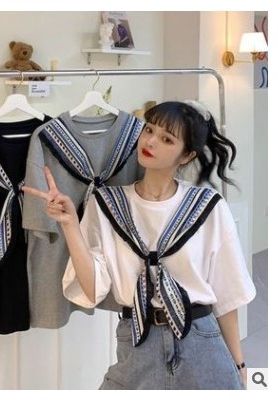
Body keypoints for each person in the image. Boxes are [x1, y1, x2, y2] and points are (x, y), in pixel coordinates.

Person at [22, 100, 256, 390]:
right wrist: (70, 224)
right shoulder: (107, 204)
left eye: (167, 139)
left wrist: (238, 364)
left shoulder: (207, 207)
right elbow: (92, 289)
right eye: (149, 130)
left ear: (187, 155)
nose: (151, 141)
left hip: (200, 340)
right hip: (137, 339)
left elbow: (227, 293)